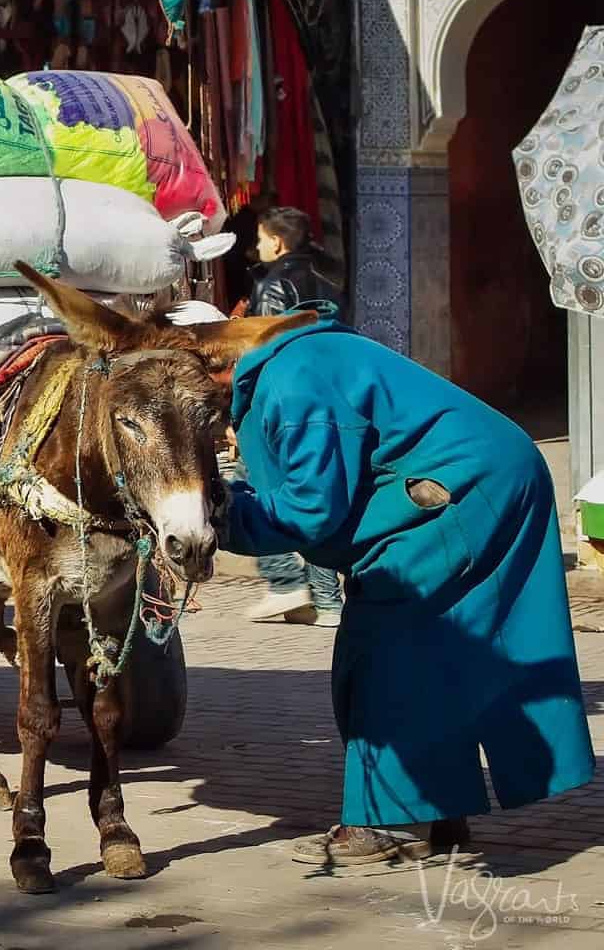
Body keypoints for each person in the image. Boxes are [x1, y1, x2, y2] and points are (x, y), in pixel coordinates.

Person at [202, 310, 595, 865]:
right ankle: (438, 808)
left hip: (461, 493)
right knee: (441, 653)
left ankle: (390, 821)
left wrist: (218, 517)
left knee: (387, 654)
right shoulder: (299, 360)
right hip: (480, 478)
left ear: (216, 367)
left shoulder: (293, 380)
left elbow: (310, 510)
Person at [235, 206, 345, 626]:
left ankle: (286, 583)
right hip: (328, 395)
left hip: (284, 402)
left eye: (261, 239)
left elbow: (267, 349)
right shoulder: (329, 276)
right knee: (318, 490)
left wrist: (243, 409)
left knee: (255, 485)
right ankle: (326, 599)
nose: (257, 247)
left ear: (277, 242)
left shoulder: (275, 285)